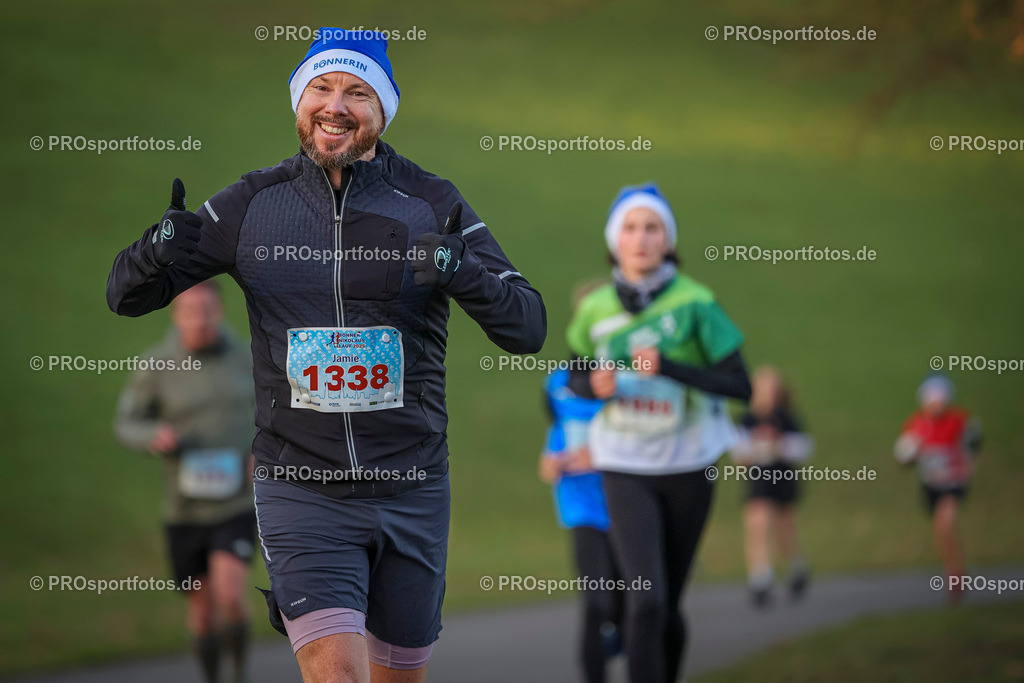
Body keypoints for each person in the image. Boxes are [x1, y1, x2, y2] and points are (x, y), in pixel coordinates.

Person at [106, 29, 546, 683]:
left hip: (412, 487)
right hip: (300, 487)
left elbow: (527, 325)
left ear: (383, 111)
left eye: (357, 92)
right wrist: (157, 247)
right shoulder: (252, 205)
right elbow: (124, 293)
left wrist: (462, 273)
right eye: (322, 87)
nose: (336, 105)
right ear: (299, 102)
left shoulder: (433, 202)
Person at [566, 183, 751, 683]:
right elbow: (573, 376)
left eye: (652, 228)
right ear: (614, 241)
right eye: (630, 227)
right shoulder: (596, 307)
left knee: (667, 604)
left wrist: (671, 367)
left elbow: (741, 385)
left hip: (691, 463)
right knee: (645, 599)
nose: (641, 238)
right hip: (624, 464)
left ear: (668, 240)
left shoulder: (696, 304)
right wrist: (591, 384)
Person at [114, 280, 256, 683]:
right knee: (203, 609)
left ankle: (240, 674)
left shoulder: (246, 356)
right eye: (190, 311)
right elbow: (127, 422)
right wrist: (152, 436)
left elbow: (276, 410)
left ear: (220, 311)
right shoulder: (156, 365)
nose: (200, 320)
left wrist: (263, 452)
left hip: (237, 502)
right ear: (176, 316)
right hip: (185, 508)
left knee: (231, 596)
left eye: (208, 310)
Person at [539, 365, 623, 683]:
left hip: (624, 508)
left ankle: (620, 633)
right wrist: (560, 463)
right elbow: (547, 467)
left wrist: (599, 456)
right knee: (595, 602)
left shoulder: (620, 393)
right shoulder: (563, 417)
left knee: (629, 600)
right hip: (582, 511)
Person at [894, 373, 981, 605]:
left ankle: (955, 578)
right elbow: (904, 456)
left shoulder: (958, 421)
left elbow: (973, 442)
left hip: (953, 484)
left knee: (946, 523)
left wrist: (968, 463)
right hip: (931, 486)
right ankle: (954, 569)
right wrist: (909, 454)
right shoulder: (917, 425)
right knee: (942, 531)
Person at [730, 365, 813, 608]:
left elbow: (803, 447)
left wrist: (778, 446)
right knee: (757, 525)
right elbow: (738, 452)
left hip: (783, 479)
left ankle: (797, 566)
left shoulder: (786, 418)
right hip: (757, 481)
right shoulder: (747, 419)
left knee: (784, 528)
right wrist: (754, 450)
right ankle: (760, 578)